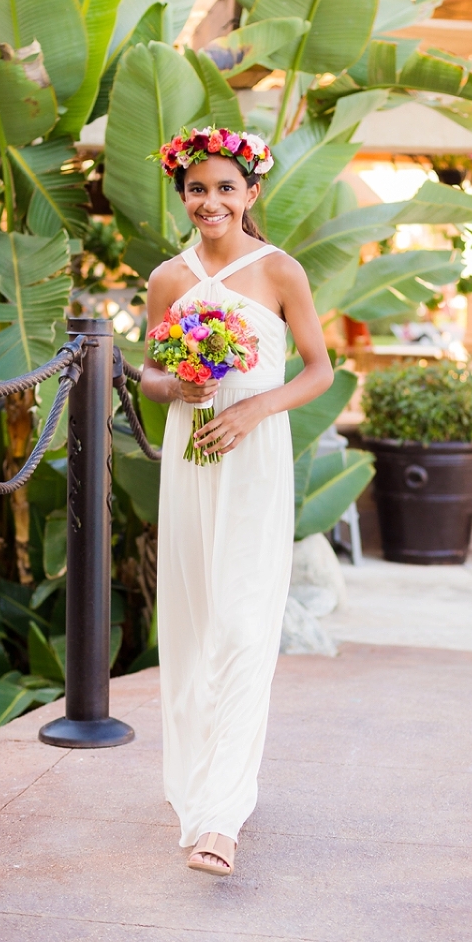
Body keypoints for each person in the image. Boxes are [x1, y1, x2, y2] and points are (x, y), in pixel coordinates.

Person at [141, 127, 333, 876]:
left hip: (254, 460)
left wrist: (255, 409)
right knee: (191, 622)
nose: (210, 201)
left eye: (226, 187)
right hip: (190, 464)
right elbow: (151, 374)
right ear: (183, 196)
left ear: (252, 194)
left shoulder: (281, 271)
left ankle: (222, 818)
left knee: (246, 624)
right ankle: (193, 786)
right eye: (197, 189)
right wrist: (177, 386)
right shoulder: (167, 278)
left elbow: (317, 370)